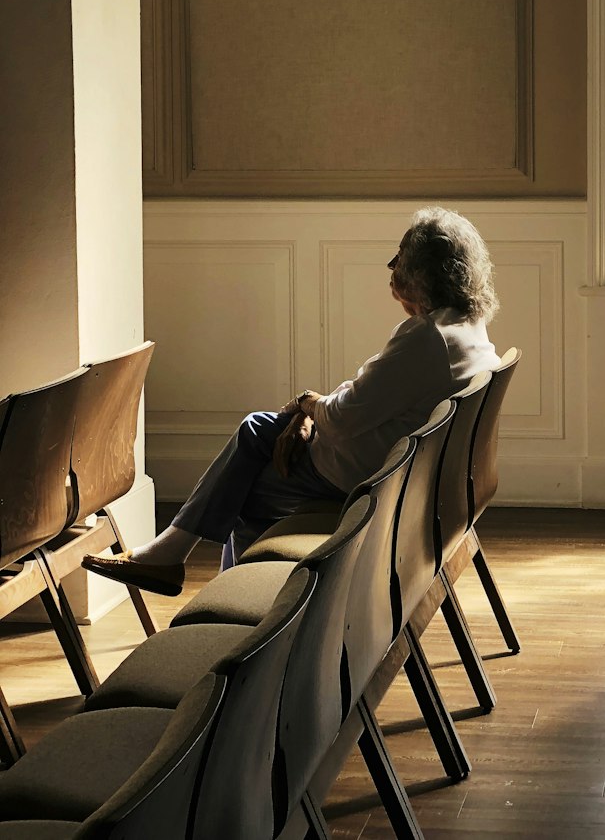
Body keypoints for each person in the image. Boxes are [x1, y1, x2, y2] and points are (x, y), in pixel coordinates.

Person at [83, 206, 501, 596]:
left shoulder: (426, 339)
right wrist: (307, 412)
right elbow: (369, 397)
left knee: (243, 486)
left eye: (400, 256)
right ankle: (177, 562)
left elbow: (343, 418)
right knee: (257, 430)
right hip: (404, 479)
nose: (391, 267)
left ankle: (234, 607)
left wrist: (309, 405)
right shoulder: (467, 329)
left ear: (423, 273)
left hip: (363, 482)